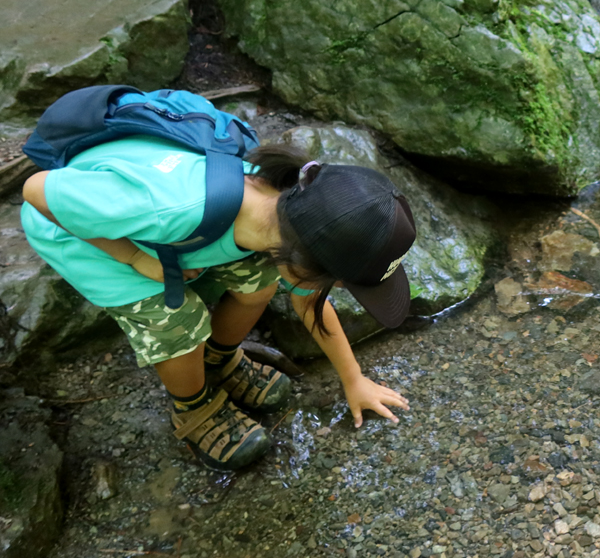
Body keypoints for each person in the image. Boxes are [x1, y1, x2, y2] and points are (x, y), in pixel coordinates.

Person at [21, 140, 414, 470]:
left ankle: (218, 360)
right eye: (337, 281)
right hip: (79, 232)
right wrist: (134, 259)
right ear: (301, 261)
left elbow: (309, 299)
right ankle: (193, 405)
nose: (334, 287)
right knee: (178, 319)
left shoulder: (285, 209)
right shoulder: (176, 209)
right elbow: (37, 189)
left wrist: (354, 380)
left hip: (153, 223)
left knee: (258, 282)